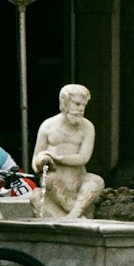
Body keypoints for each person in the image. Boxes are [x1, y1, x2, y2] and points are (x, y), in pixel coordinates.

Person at [31, 84, 105, 220]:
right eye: (77, 104)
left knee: (96, 181)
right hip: (55, 178)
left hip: (78, 177)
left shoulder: (88, 127)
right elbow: (36, 158)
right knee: (47, 182)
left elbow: (83, 158)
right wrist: (42, 161)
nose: (81, 109)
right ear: (65, 102)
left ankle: (73, 215)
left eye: (84, 105)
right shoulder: (48, 126)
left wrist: (58, 158)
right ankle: (78, 217)